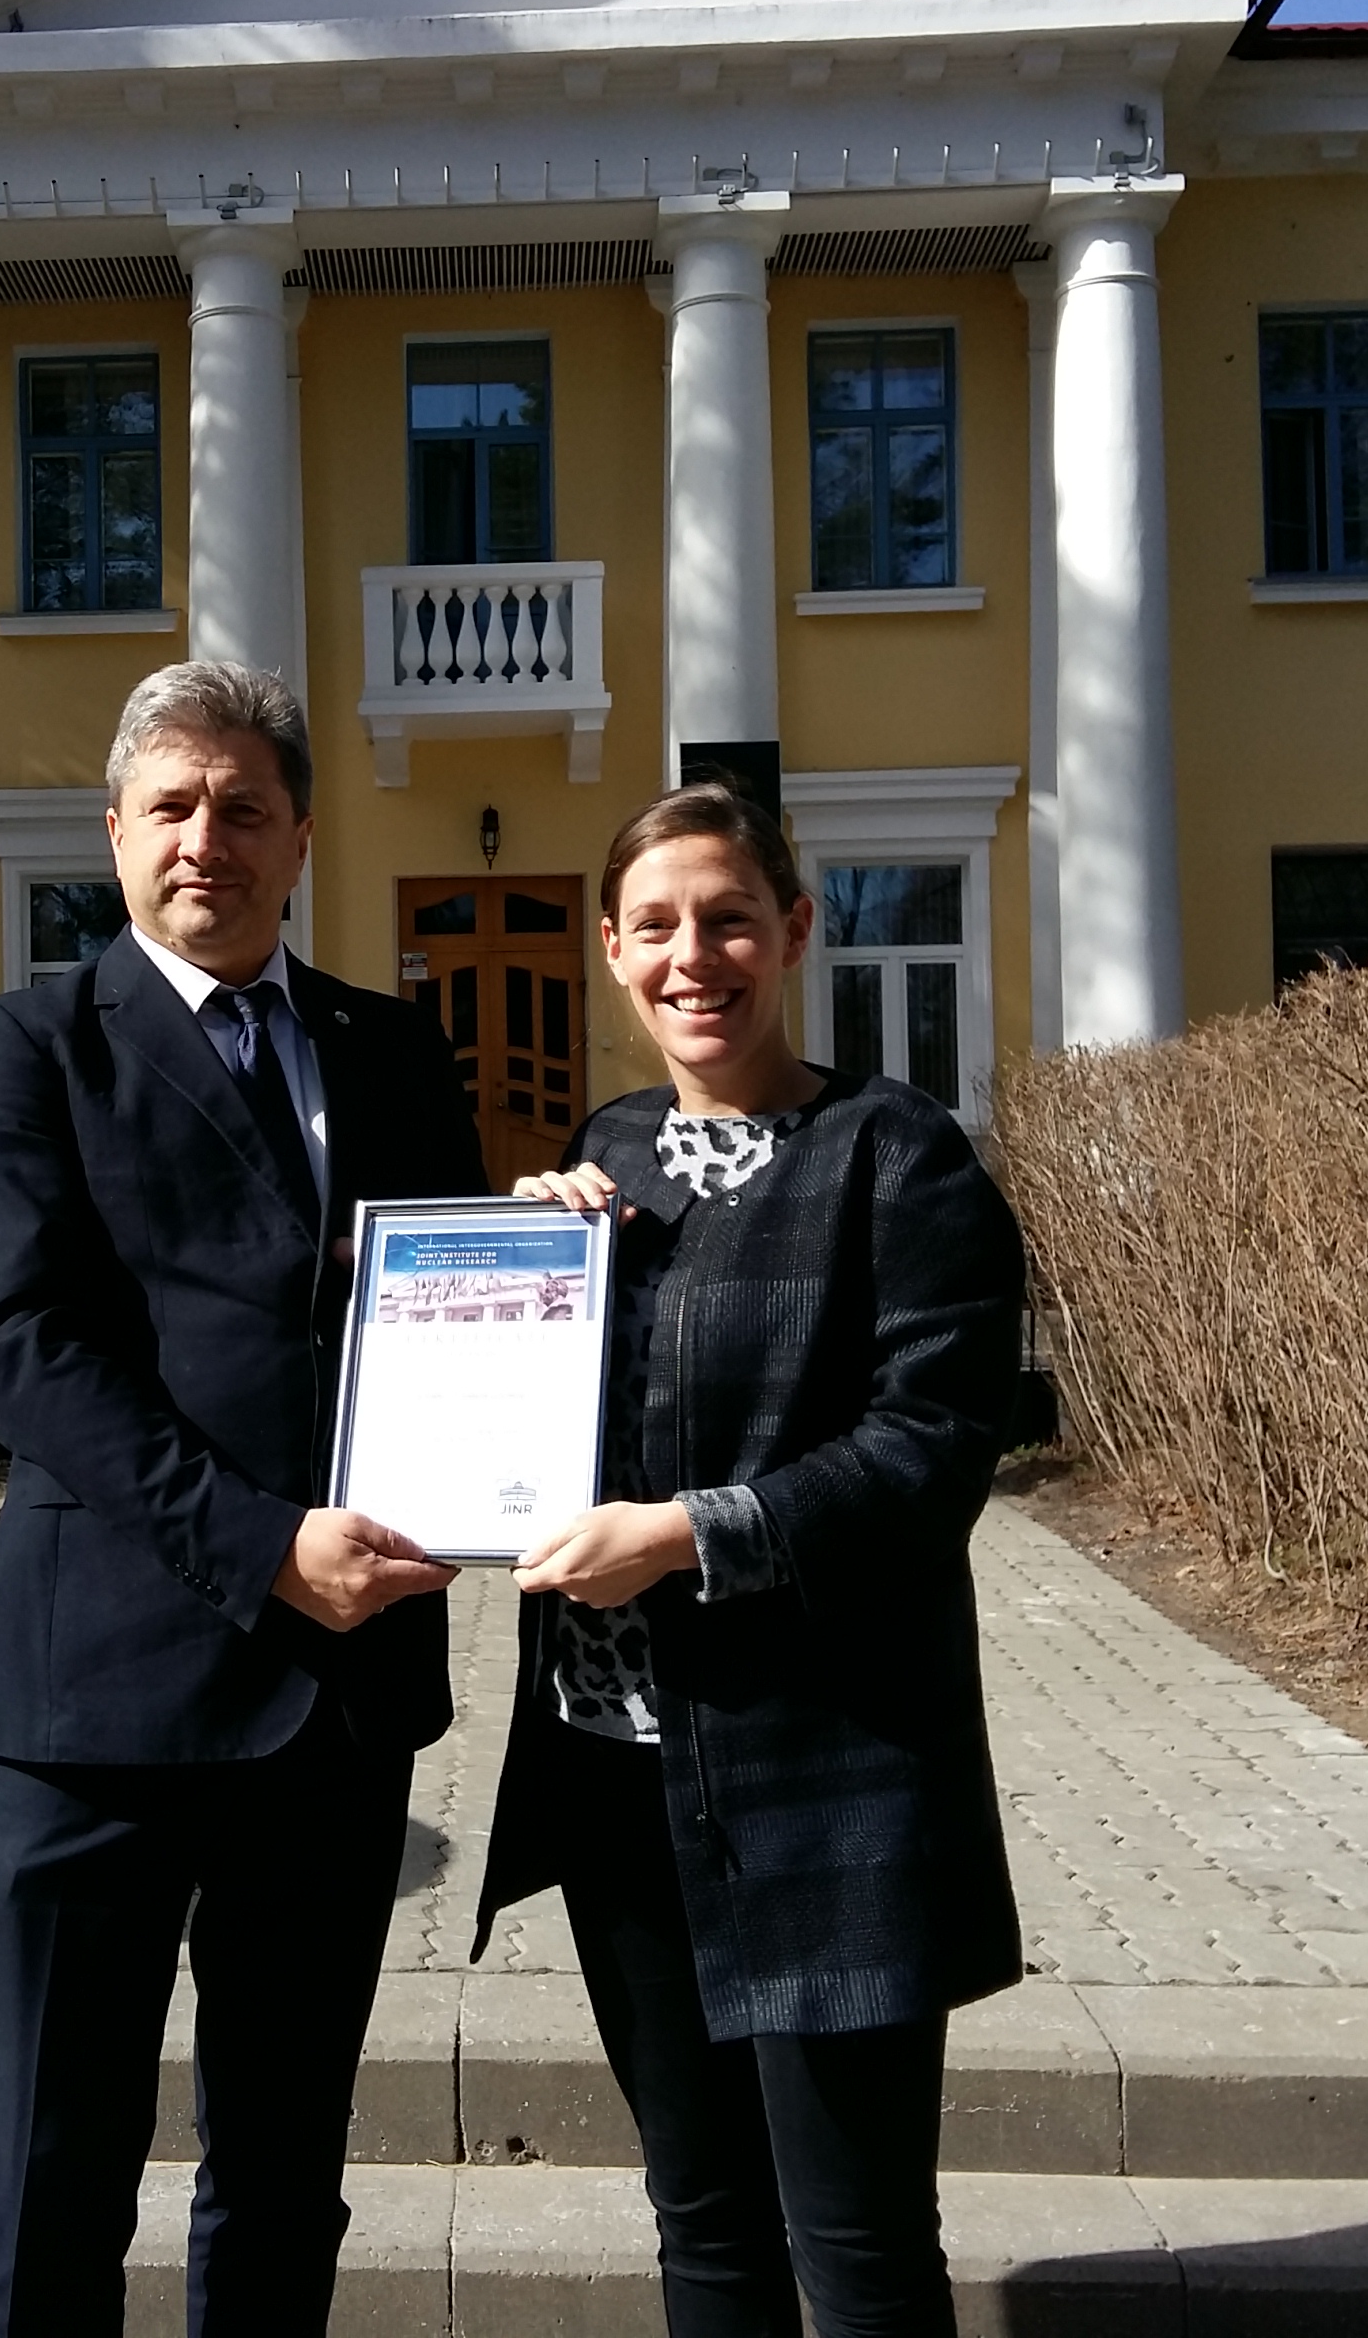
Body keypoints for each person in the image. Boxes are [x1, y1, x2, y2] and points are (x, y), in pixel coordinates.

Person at [0, 659, 487, 2338]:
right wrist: (263, 1548)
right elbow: (24, 1355)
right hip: (96, 1705)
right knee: (49, 2189)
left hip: (334, 1711)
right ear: (114, 832)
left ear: (301, 838)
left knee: (283, 2183)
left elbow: (447, 1314)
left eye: (245, 808)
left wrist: (550, 1268)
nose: (206, 841)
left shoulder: (393, 1049)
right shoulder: (22, 1049)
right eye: (172, 806)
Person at [480, 778, 1027, 2337]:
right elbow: (555, 1428)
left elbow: (931, 1454)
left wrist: (685, 1538)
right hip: (616, 1768)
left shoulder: (895, 1157)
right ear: (609, 949)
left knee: (857, 2250)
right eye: (654, 925)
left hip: (825, 1771)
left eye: (727, 919)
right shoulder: (609, 1154)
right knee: (704, 2221)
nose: (691, 957)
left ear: (794, 931)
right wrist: (528, 1266)